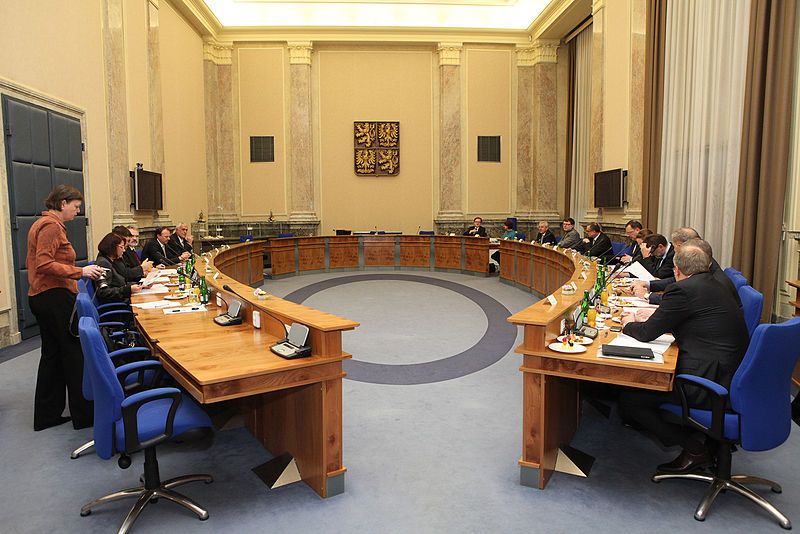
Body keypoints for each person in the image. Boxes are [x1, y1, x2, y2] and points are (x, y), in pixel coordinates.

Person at [618, 243, 749, 474]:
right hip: (729, 372)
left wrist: (628, 324)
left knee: (632, 397)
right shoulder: (714, 283)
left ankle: (695, 449)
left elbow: (647, 333)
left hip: (709, 380)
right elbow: (693, 317)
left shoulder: (683, 290)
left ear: (677, 270)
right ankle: (699, 439)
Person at [26, 185, 105, 431]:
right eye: (76, 206)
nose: (77, 211)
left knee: (52, 356)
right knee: (73, 354)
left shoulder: (45, 223)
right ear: (62, 203)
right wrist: (80, 271)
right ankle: (84, 416)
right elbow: (44, 263)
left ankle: (47, 415)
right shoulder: (50, 226)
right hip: (53, 295)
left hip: (43, 295)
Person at [633, 229, 739, 305]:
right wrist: (649, 284)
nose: (674, 251)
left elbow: (683, 298)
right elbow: (675, 282)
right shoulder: (704, 262)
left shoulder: (708, 275)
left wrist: (648, 296)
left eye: (674, 247)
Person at [94, 233, 142, 305]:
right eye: (121, 247)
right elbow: (104, 292)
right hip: (117, 304)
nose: (124, 250)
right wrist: (128, 290)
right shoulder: (103, 263)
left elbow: (119, 284)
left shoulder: (109, 261)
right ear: (112, 247)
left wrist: (140, 284)